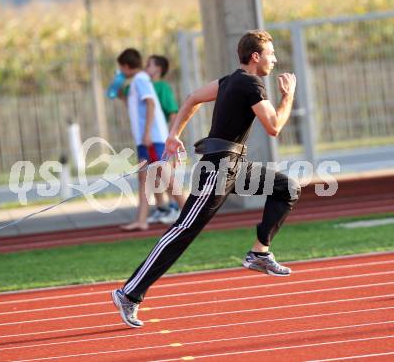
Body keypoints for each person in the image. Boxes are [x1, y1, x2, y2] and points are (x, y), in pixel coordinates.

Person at [112, 30, 301, 328]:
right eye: (271, 54)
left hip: (235, 166)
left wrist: (174, 135)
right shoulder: (251, 83)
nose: (275, 59)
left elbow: (192, 99)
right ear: (255, 57)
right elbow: (274, 126)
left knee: (286, 187)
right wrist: (289, 95)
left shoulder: (229, 81)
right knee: (182, 231)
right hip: (218, 168)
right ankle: (129, 293)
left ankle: (259, 252)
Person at [117, 48, 185, 231]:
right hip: (147, 138)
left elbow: (152, 104)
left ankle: (190, 214)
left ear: (125, 66)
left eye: (150, 64)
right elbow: (134, 105)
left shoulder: (141, 79)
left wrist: (147, 133)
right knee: (145, 178)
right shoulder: (138, 82)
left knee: (165, 177)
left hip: (153, 138)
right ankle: (142, 219)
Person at [145, 55, 182, 224]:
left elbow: (173, 112)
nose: (145, 67)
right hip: (149, 139)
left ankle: (176, 206)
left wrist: (172, 137)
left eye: (149, 64)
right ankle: (161, 207)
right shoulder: (144, 86)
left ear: (158, 68)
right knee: (151, 173)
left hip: (161, 139)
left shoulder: (162, 87)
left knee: (165, 172)